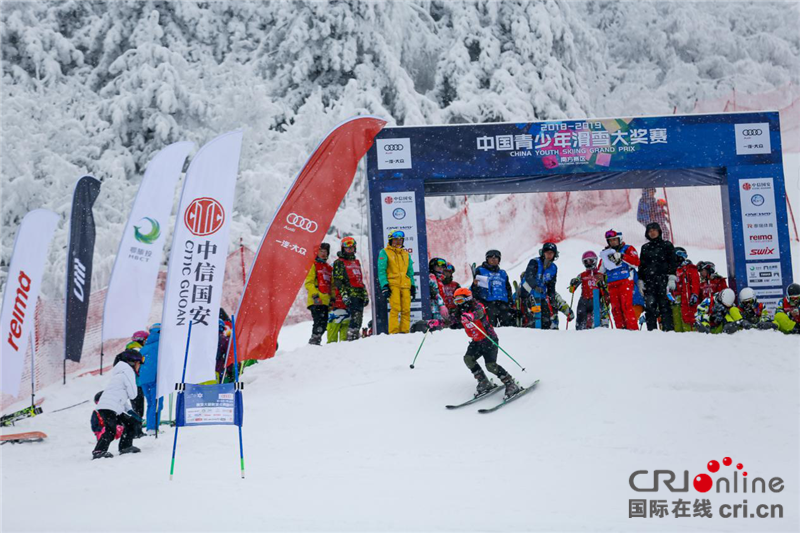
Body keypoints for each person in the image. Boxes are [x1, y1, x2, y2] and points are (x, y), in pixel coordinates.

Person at [452, 288, 521, 399]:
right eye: (456, 301)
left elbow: (479, 313)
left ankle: (510, 383)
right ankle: (483, 382)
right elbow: (451, 320)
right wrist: (436, 323)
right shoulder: (460, 312)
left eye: (460, 300)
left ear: (467, 298)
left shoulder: (478, 306)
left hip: (489, 339)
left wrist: (471, 316)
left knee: (490, 366)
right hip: (476, 341)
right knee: (468, 359)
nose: (458, 304)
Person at [92, 349, 143, 459]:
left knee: (131, 423)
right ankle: (99, 451)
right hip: (108, 407)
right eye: (139, 364)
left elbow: (120, 398)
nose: (139, 367)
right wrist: (135, 393)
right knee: (111, 430)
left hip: (113, 407)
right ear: (132, 362)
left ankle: (125, 446)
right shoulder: (127, 372)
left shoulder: (120, 374)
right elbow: (133, 394)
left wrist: (130, 412)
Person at [638, 222, 677, 332]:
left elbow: (672, 263)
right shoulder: (645, 248)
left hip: (664, 280)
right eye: (650, 231)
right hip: (649, 282)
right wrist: (640, 280)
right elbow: (642, 265)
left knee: (665, 306)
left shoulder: (667, 245)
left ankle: (669, 331)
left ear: (659, 231)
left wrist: (672, 278)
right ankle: (652, 332)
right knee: (650, 307)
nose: (652, 232)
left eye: (654, 230)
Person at [598, 230, 641, 330]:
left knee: (626, 306)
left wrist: (622, 256)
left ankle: (633, 331)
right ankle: (621, 332)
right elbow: (600, 269)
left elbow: (636, 262)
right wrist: (600, 277)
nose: (612, 242)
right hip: (612, 283)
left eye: (614, 240)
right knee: (616, 309)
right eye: (610, 240)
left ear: (619, 239)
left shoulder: (628, 249)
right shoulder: (607, 252)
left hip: (625, 281)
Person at [377, 230, 416, 334]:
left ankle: (404, 331)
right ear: (390, 241)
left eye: (400, 240)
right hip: (393, 284)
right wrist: (384, 285)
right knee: (395, 308)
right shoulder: (385, 252)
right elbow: (381, 270)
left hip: (405, 285)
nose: (398, 242)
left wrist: (412, 285)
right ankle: (393, 333)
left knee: (406, 309)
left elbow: (410, 272)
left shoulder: (406, 254)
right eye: (395, 240)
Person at [332, 236, 369, 341]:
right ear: (343, 249)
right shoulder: (339, 262)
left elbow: (360, 280)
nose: (349, 250)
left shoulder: (356, 262)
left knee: (359, 317)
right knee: (355, 317)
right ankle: (351, 337)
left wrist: (365, 294)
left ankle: (354, 336)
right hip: (350, 293)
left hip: (359, 293)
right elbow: (338, 281)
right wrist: (344, 295)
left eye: (351, 247)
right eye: (347, 248)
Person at [522, 243, 559, 329]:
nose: (549, 255)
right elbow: (529, 277)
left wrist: (552, 298)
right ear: (543, 253)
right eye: (547, 252)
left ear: (554, 254)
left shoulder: (553, 268)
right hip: (528, 293)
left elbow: (551, 286)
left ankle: (544, 337)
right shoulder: (534, 262)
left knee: (546, 319)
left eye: (551, 253)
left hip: (541, 295)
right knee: (533, 318)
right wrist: (535, 287)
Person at [569, 251, 609, 330]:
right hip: (584, 300)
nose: (588, 263)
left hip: (597, 299)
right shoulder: (582, 275)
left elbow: (608, 287)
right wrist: (573, 284)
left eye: (591, 260)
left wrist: (603, 285)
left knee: (596, 316)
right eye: (586, 261)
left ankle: (598, 329)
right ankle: (580, 330)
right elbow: (572, 290)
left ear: (595, 261)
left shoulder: (601, 274)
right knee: (581, 314)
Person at [473, 250, 514, 327]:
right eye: (491, 257)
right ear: (487, 259)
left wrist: (510, 302)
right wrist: (475, 286)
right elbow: (475, 288)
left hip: (503, 303)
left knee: (508, 327)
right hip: (488, 303)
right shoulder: (481, 270)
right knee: (491, 326)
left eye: (496, 258)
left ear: (499, 260)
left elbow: (508, 288)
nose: (493, 259)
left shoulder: (503, 273)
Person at [137, 323, 163, 433]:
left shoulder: (144, 347)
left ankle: (150, 427)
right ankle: (153, 428)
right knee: (157, 404)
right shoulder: (162, 346)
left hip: (144, 379)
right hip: (156, 378)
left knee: (150, 403)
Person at [304, 243, 332, 345]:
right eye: (321, 251)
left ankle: (316, 341)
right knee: (318, 322)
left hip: (326, 300)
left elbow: (331, 285)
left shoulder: (329, 268)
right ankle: (314, 342)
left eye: (325, 252)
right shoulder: (313, 265)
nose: (323, 254)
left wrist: (332, 299)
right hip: (316, 300)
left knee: (324, 324)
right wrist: (315, 296)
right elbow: (309, 282)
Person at [671, 247, 700, 332]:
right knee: (676, 320)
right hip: (676, 298)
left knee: (688, 319)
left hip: (687, 298)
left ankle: (690, 336)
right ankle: (679, 336)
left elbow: (695, 282)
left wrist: (695, 294)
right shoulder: (673, 269)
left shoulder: (689, 268)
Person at [428, 257, 450, 326]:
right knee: (437, 328)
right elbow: (435, 292)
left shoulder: (439, 278)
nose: (441, 268)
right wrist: (441, 305)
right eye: (438, 266)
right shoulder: (432, 276)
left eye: (442, 267)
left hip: (439, 308)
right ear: (433, 267)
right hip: (435, 308)